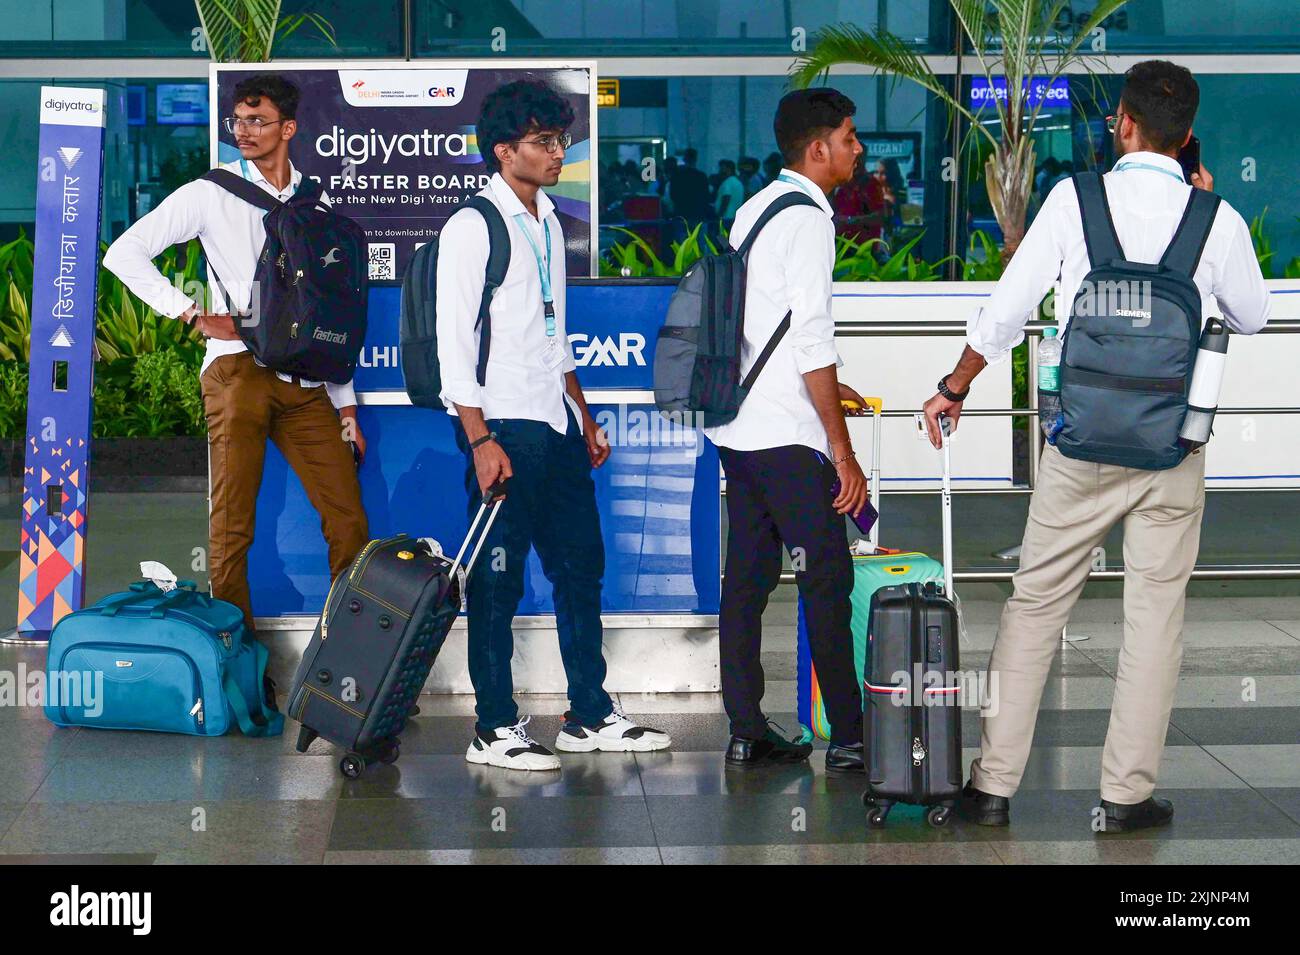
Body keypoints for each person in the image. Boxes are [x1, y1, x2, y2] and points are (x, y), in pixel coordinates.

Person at [921, 60, 1271, 832]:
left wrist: (956, 383)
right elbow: (1253, 316)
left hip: (1078, 446)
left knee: (1036, 603)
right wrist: (1205, 210)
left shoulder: (1073, 201)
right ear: (1186, 139)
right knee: (1154, 616)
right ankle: (1124, 795)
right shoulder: (1218, 219)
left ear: (1123, 123)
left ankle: (992, 785)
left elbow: (1007, 308)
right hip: (1173, 450)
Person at [102, 74, 369, 709]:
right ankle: (240, 673)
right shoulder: (209, 193)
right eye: (238, 120)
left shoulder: (315, 200)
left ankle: (352, 669)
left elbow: (328, 306)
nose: (244, 130)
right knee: (233, 527)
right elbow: (124, 252)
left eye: (257, 119)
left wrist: (346, 400)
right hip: (238, 372)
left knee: (349, 521)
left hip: (307, 381)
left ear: (289, 128)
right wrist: (189, 312)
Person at [436, 79, 671, 771]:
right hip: (500, 426)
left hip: (555, 425)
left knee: (579, 569)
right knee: (498, 581)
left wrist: (585, 417)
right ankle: (493, 727)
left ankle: (588, 714)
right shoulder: (472, 226)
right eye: (544, 141)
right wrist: (479, 438)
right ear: (504, 150)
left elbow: (554, 332)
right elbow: (456, 346)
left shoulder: (544, 223)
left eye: (561, 140)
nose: (557, 152)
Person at [704, 88, 871, 770]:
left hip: (739, 429)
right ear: (818, 148)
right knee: (825, 577)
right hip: (787, 438)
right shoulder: (808, 222)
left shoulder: (755, 207)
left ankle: (747, 728)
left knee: (746, 579)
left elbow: (758, 320)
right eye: (850, 137)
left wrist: (833, 386)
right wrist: (844, 450)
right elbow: (809, 339)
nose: (858, 149)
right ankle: (854, 738)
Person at [669, 147, 712, 227]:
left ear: (684, 159)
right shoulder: (701, 176)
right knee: (699, 238)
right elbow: (706, 196)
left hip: (682, 214)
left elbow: (673, 195)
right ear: (696, 159)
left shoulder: (677, 176)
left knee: (682, 238)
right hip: (699, 214)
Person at [714, 158, 746, 230]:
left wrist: (719, 215)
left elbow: (726, 199)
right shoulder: (739, 183)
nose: (720, 171)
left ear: (728, 169)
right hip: (735, 217)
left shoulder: (727, 183)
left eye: (722, 168)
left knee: (721, 239)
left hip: (725, 218)